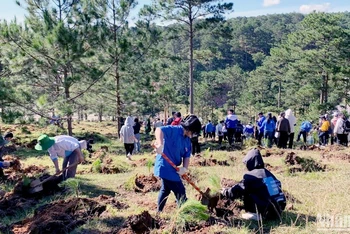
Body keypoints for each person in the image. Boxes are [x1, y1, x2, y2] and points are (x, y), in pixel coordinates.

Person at [221, 149, 286, 221]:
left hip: (266, 213)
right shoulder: (269, 174)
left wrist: (225, 192)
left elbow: (238, 189)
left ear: (250, 162)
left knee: (247, 191)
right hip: (278, 211)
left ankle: (257, 215)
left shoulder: (251, 176)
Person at [154, 114, 202, 212]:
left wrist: (184, 168)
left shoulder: (187, 140)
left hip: (173, 167)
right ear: (189, 129)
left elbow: (186, 155)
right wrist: (160, 144)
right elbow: (159, 130)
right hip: (165, 166)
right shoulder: (174, 130)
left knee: (165, 190)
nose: (193, 135)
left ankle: (158, 213)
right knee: (180, 191)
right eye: (194, 132)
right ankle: (184, 213)